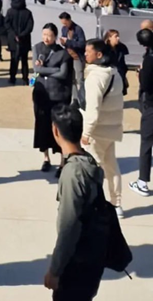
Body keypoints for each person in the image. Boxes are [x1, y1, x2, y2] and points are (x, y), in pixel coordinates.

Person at [44, 103, 107, 301]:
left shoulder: (72, 174)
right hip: (93, 258)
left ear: (55, 131)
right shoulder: (88, 161)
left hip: (77, 264)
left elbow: (68, 229)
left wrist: (55, 270)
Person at [81, 39, 124, 217]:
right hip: (111, 129)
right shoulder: (115, 73)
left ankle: (92, 205)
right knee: (111, 167)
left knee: (91, 170)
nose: (85, 54)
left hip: (96, 132)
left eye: (87, 52)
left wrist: (86, 133)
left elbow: (93, 109)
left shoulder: (96, 77)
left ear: (98, 55)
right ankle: (117, 203)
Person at [33, 24, 72, 174]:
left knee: (59, 127)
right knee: (42, 125)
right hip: (41, 93)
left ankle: (62, 160)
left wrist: (46, 72)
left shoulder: (63, 54)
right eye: (44, 34)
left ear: (55, 36)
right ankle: (46, 158)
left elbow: (63, 74)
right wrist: (51, 70)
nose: (46, 38)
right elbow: (36, 70)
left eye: (49, 35)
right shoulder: (37, 48)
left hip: (58, 94)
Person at [129, 27, 153, 198]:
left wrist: (141, 73)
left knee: (146, 143)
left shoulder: (149, 60)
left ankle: (142, 182)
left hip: (151, 106)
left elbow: (145, 85)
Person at [4, 0, 34, 85]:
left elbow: (7, 24)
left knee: (14, 59)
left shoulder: (10, 11)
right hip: (24, 39)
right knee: (24, 60)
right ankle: (25, 78)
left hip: (13, 39)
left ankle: (12, 78)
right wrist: (22, 35)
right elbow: (30, 26)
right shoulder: (28, 12)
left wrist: (14, 35)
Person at [58, 13, 86, 105]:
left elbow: (82, 44)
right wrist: (63, 42)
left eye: (65, 23)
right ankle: (74, 99)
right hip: (68, 56)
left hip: (77, 57)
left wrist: (68, 42)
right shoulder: (64, 29)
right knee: (72, 79)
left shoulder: (78, 29)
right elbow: (66, 43)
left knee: (79, 79)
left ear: (69, 20)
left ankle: (81, 99)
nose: (64, 25)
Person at [103, 29, 129, 95]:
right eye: (116, 36)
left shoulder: (121, 47)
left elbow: (122, 62)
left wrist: (124, 74)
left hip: (120, 72)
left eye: (118, 36)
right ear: (109, 38)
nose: (118, 38)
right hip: (109, 72)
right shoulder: (104, 48)